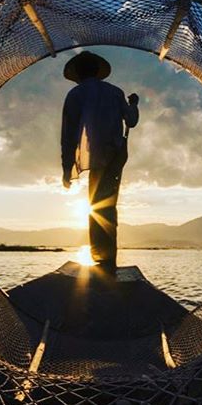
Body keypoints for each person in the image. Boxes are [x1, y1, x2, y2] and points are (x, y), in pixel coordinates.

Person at [61, 51, 139, 275]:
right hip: (115, 156)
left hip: (96, 158)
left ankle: (102, 260)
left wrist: (67, 168)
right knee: (107, 206)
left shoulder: (75, 95)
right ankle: (106, 260)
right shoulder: (115, 92)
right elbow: (131, 120)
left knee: (95, 206)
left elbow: (68, 135)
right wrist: (133, 104)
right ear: (97, 71)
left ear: (79, 73)